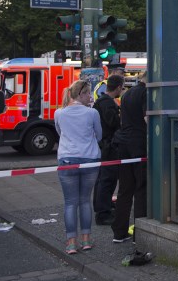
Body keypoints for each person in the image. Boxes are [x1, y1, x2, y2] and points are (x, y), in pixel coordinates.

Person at [54, 79, 102, 254]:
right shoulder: (92, 113)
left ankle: (71, 243)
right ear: (81, 94)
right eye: (88, 93)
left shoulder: (59, 113)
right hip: (90, 159)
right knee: (84, 201)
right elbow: (99, 135)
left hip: (67, 159)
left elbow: (60, 133)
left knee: (70, 203)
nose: (90, 96)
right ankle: (86, 240)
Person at [111, 71, 148, 243]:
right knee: (141, 188)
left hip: (123, 144)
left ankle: (119, 232)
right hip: (138, 144)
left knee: (125, 190)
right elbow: (147, 119)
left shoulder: (126, 94)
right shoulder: (146, 93)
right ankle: (140, 235)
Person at [92, 74, 124, 226]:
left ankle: (102, 206)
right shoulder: (108, 103)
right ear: (118, 87)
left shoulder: (101, 101)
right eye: (121, 88)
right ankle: (103, 213)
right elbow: (114, 123)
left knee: (102, 179)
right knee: (107, 180)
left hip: (103, 145)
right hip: (109, 146)